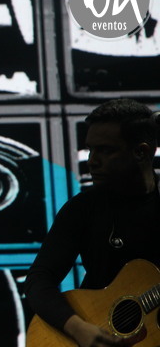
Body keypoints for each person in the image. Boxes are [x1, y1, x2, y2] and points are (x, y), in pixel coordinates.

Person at [25, 98, 160, 347]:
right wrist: (78, 328)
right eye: (91, 149)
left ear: (141, 152)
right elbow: (38, 280)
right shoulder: (83, 208)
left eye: (106, 150)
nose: (92, 161)